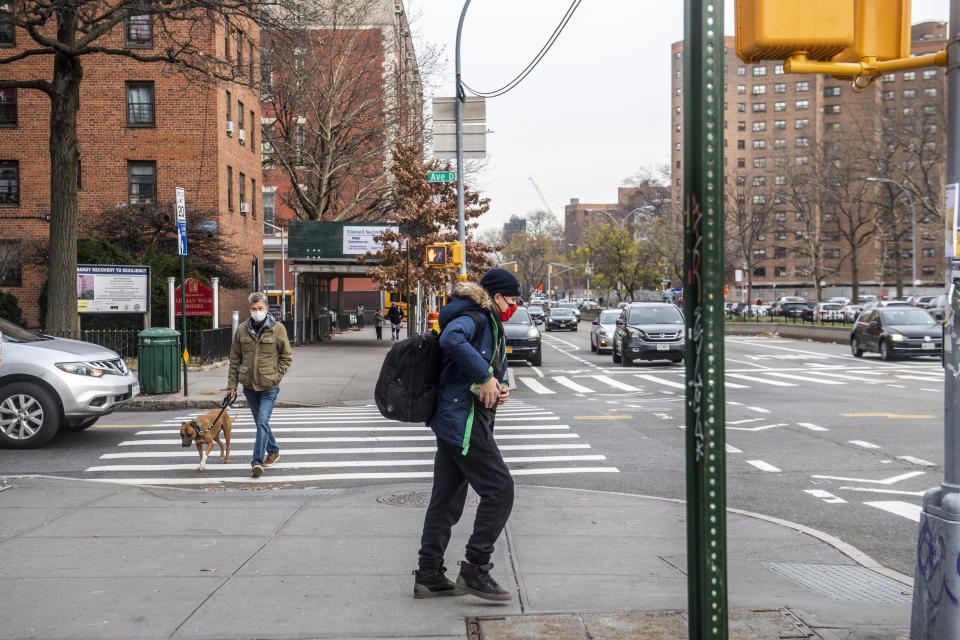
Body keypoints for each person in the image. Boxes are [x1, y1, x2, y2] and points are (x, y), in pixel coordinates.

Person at [413, 268, 519, 602]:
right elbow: (450, 340)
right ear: (496, 295)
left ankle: (429, 574)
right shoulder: (476, 317)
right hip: (463, 421)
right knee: (500, 489)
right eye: (512, 299)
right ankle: (476, 566)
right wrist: (485, 376)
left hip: (455, 418)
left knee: (446, 499)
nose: (514, 306)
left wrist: (495, 386)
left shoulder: (480, 318)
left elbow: (466, 371)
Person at [227, 292, 293, 478]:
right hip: (249, 386)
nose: (257, 312)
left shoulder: (278, 329)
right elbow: (235, 360)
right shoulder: (241, 330)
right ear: (250, 309)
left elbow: (286, 357)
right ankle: (273, 450)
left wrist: (276, 376)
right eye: (254, 309)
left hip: (269, 386)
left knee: (262, 422)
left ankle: (257, 462)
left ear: (266, 308)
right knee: (261, 423)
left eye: (260, 308)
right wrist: (232, 386)